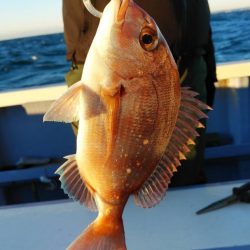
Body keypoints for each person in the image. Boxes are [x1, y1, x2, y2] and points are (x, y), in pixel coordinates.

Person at [62, 0, 217, 185]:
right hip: (113, 65)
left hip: (188, 57)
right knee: (108, 180)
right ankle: (110, 208)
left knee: (185, 174)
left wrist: (206, 64)